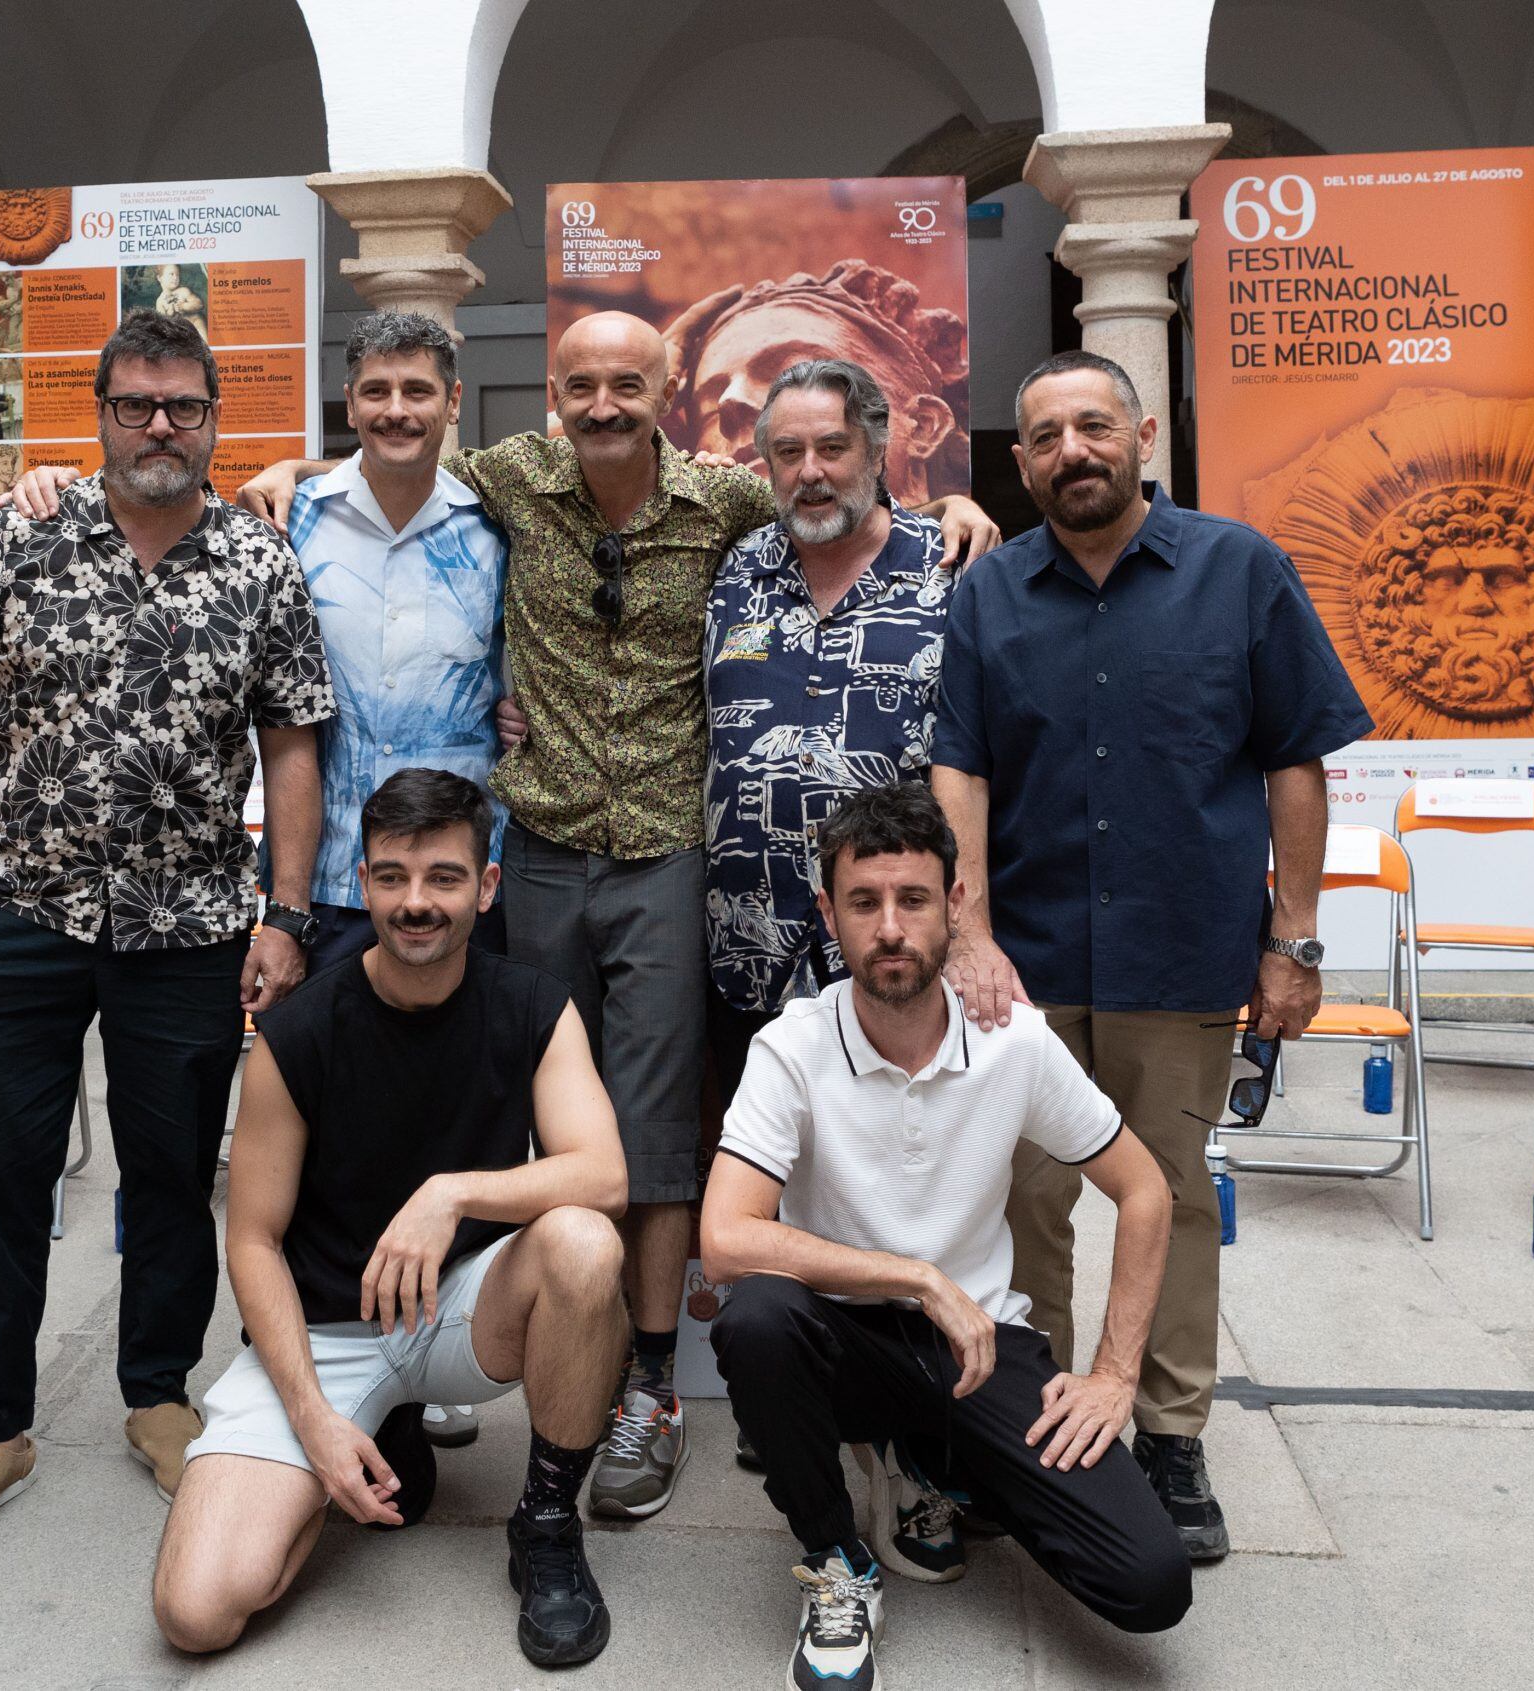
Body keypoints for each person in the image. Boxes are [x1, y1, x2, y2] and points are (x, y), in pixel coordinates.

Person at [238, 313, 1002, 1523]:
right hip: (534, 847)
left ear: (665, 394)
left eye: (626, 384)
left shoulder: (723, 503)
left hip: (663, 851)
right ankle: (487, 1342)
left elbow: (845, 511)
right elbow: (390, 457)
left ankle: (647, 1382)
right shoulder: (509, 478)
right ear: (554, 394)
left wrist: (950, 513)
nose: (603, 403)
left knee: (649, 1123)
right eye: (581, 384)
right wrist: (281, 472)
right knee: (535, 1108)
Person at [10, 308, 512, 1450]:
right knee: (309, 1130)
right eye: (376, 389)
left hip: (452, 876)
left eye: (417, 391)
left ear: (450, 399)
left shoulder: (497, 519)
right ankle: (300, 1336)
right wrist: (43, 480)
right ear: (349, 402)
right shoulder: (282, 516)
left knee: (447, 1116)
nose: (395, 410)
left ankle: (429, 1351)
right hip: (327, 881)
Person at [929, 349, 1374, 1564]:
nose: (1072, 451)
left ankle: (1168, 1431)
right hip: (1021, 958)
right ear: (1017, 464)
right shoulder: (988, 594)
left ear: (1144, 433)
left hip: (1182, 944)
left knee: (1168, 1196)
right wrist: (966, 930)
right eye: (1044, 437)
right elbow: (957, 763)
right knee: (1017, 1197)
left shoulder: (1242, 571)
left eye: (1093, 425)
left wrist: (1295, 934)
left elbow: (1295, 757)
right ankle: (1024, 1419)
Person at [0, 309, 333, 1556]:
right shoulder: (13, 540)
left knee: (169, 1172)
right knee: (1, 1171)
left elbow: (291, 744)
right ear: (97, 415)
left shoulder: (258, 565)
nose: (160, 426)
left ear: (214, 421)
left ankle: (155, 1392)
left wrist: (285, 913)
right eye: (137, 404)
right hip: (17, 914)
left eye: (184, 407)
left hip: (188, 921)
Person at [700, 780, 1189, 1691]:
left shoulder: (1014, 1041)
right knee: (758, 1315)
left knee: (1149, 1581)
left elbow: (1146, 1190)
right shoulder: (792, 1045)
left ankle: (932, 1458)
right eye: (864, 902)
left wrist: (1116, 1374)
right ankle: (839, 1557)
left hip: (978, 1345)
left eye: (914, 899)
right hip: (839, 1337)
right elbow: (725, 1236)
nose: (890, 927)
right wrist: (918, 1277)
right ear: (829, 914)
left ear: (954, 904)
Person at [155, 769, 629, 1668]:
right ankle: (373, 1434)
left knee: (583, 1240)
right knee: (196, 1610)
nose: (418, 902)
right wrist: (313, 1420)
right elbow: (251, 1239)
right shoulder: (298, 1033)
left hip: (461, 1310)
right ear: (363, 881)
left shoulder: (533, 1004)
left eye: (444, 876)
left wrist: (452, 1191)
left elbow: (604, 1176)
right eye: (393, 876)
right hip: (327, 1329)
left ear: (485, 886)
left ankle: (547, 1525)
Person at [703, 356, 949, 1105]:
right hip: (748, 947)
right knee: (755, 1176)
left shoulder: (953, 570)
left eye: (832, 448)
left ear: (878, 454)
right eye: (788, 452)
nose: (810, 472)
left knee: (894, 1172)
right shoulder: (733, 570)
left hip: (891, 952)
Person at [664, 259, 970, 505]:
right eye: (707, 410)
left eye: (789, 375)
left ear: (922, 426)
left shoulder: (967, 573)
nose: (729, 402)